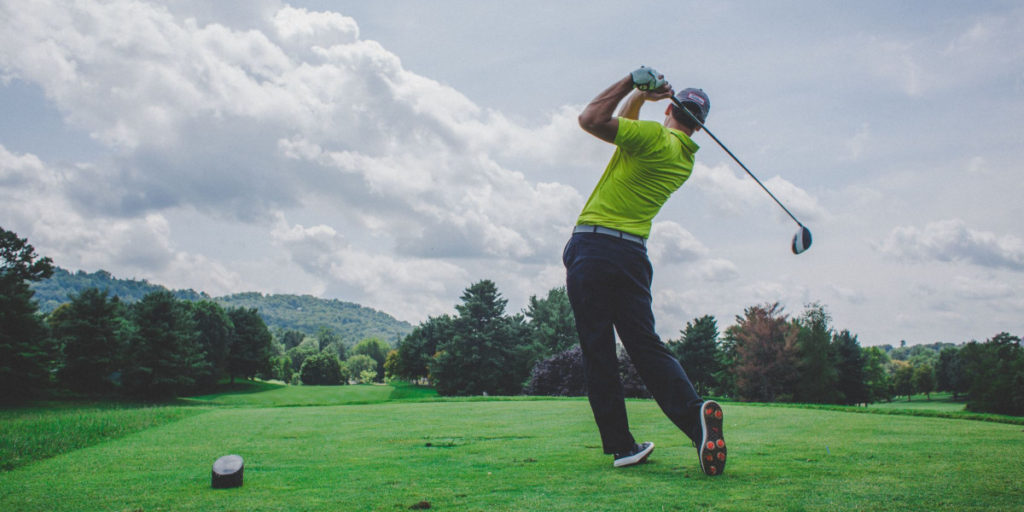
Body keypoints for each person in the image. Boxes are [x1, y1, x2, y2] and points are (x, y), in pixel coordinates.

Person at [563, 66, 726, 475]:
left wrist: (629, 82)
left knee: (599, 351)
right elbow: (629, 127)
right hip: (633, 257)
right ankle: (695, 421)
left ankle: (622, 446)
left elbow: (591, 120)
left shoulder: (654, 138)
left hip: (595, 248)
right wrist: (642, 98)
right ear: (700, 129)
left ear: (670, 109)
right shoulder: (682, 157)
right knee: (646, 347)